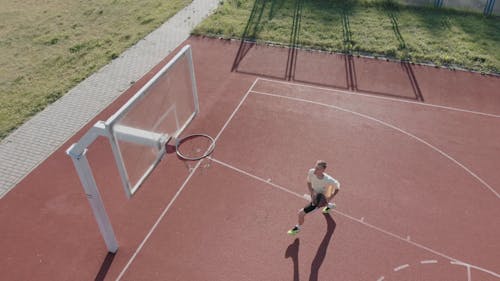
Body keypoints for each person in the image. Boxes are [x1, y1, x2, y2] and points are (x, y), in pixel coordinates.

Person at [287, 160, 340, 235]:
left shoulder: (329, 180)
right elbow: (308, 182)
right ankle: (330, 205)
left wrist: (329, 198)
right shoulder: (311, 172)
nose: (315, 170)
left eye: (318, 169)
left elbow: (338, 187)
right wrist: (311, 192)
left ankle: (297, 228)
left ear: (322, 170)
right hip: (315, 194)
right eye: (315, 167)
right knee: (321, 200)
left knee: (300, 213)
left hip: (319, 199)